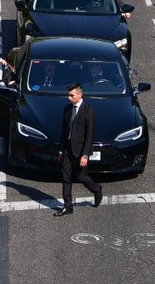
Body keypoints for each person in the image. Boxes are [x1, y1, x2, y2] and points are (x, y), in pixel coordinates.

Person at [55, 82, 102, 216]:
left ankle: (97, 189)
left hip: (80, 151)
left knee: (81, 176)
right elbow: (64, 132)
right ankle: (67, 206)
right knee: (66, 177)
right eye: (68, 95)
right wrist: (60, 150)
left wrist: (85, 155)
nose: (69, 98)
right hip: (67, 149)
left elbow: (89, 135)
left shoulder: (89, 111)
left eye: (72, 95)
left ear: (80, 95)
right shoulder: (67, 109)